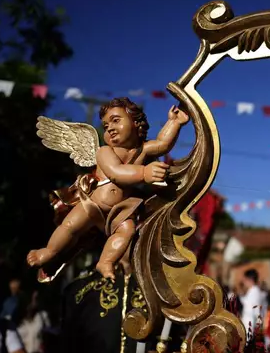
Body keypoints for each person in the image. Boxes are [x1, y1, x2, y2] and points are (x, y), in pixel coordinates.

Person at [26, 97, 189, 280]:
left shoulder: (143, 150)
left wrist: (174, 122)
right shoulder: (104, 151)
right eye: (105, 126)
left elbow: (163, 144)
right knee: (70, 227)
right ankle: (49, 251)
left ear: (136, 123)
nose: (109, 127)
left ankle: (106, 261)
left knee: (127, 231)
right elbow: (115, 172)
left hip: (118, 212)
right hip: (93, 204)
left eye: (116, 120)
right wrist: (144, 172)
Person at [239, 269, 266, 338]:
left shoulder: (255, 292)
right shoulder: (252, 291)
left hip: (250, 326)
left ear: (249, 280)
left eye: (245, 280)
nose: (244, 282)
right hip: (248, 325)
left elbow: (255, 313)